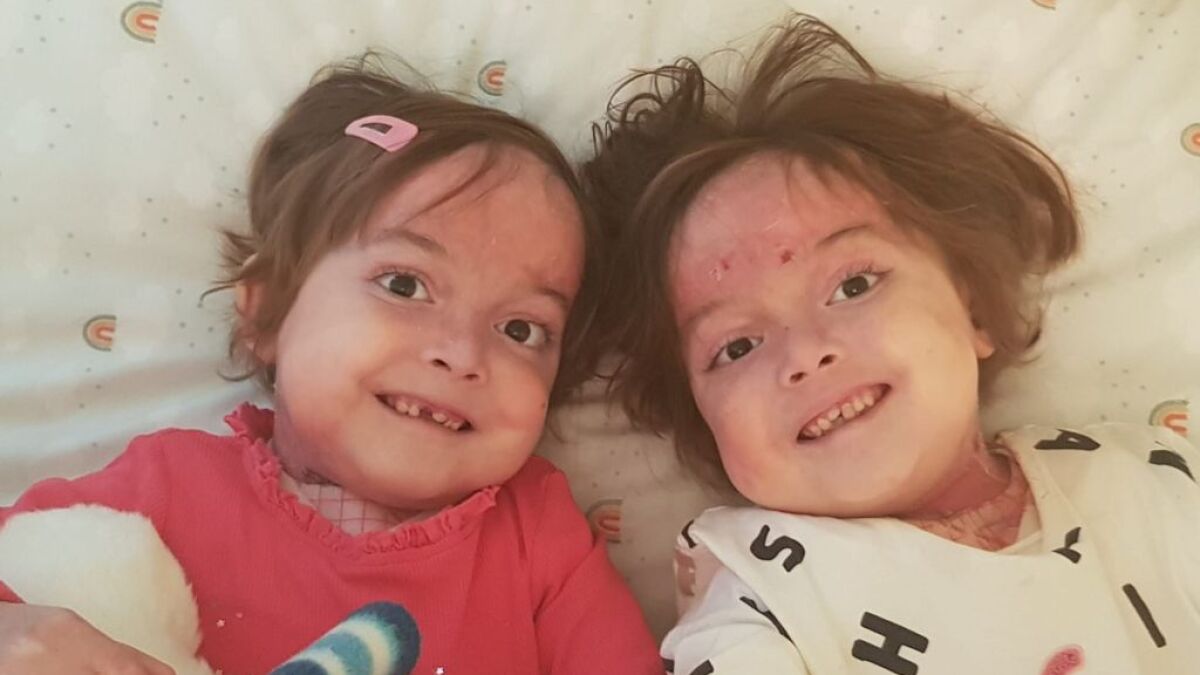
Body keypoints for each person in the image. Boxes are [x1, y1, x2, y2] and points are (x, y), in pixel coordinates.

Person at [0, 54, 659, 675]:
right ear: (267, 314)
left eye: (521, 329)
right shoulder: (168, 486)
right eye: (404, 284)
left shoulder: (537, 534)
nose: (461, 353)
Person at [584, 14, 1200, 673]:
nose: (805, 353)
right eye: (737, 347)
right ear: (707, 427)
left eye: (853, 285)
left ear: (973, 310)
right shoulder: (759, 598)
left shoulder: (1144, 481)